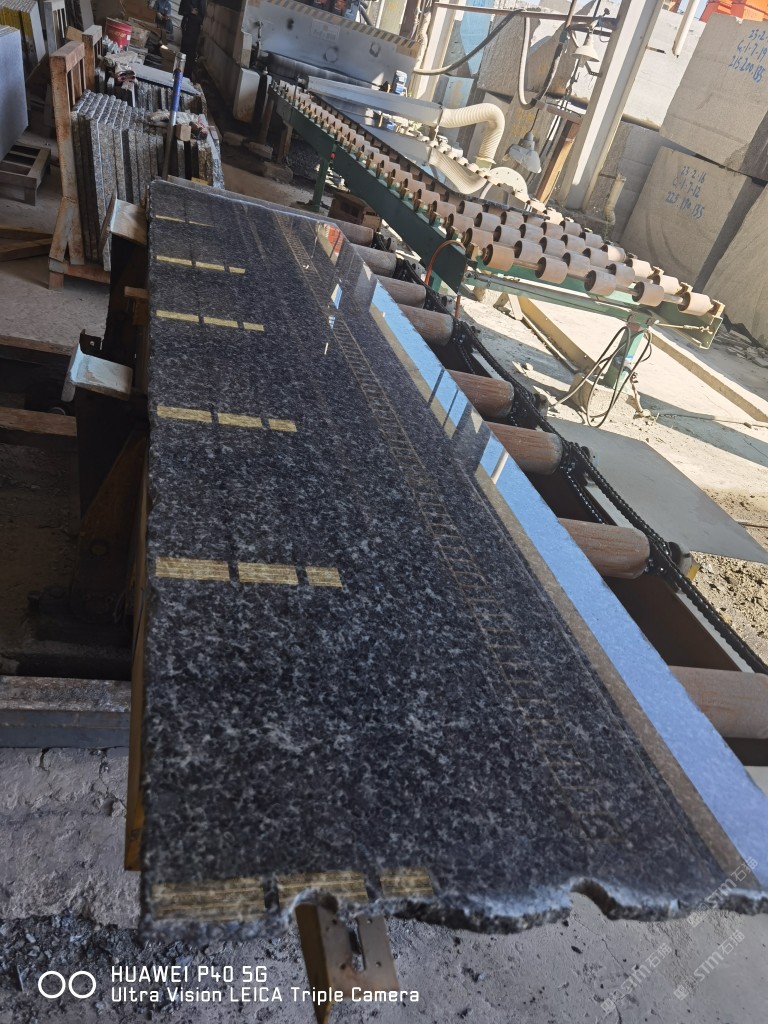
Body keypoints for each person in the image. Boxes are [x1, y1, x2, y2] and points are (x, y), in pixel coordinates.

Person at [179, 0, 207, 73]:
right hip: (190, 23)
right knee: (186, 49)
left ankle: (185, 71)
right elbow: (185, 5)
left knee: (191, 51)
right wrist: (190, 10)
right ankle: (182, 71)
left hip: (195, 25)